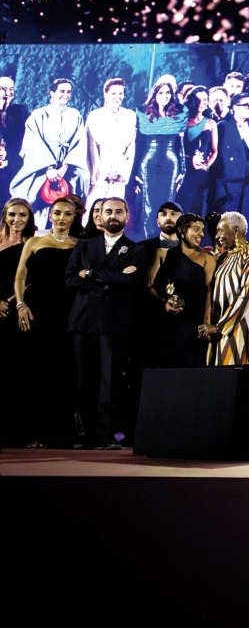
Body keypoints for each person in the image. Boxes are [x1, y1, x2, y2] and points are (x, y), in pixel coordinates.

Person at [65, 197, 147, 449]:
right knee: (83, 380)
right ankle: (85, 434)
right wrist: (113, 278)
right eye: (108, 211)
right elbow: (70, 280)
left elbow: (129, 283)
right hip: (82, 320)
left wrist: (89, 274)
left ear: (127, 215)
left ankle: (105, 435)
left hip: (114, 324)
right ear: (99, 214)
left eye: (118, 211)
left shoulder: (136, 249)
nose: (113, 215)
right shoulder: (84, 246)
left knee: (109, 381)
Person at [7, 197, 71, 448]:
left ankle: (56, 435)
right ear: (50, 215)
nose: (61, 218)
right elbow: (20, 275)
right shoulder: (34, 242)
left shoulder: (80, 245)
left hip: (66, 315)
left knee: (59, 375)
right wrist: (21, 304)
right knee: (33, 372)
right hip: (35, 312)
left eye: (67, 213)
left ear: (73, 217)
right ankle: (29, 434)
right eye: (57, 213)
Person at [10, 78, 89, 229]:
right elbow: (33, 143)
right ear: (52, 93)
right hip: (41, 170)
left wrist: (64, 168)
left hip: (67, 170)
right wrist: (49, 169)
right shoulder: (38, 114)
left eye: (68, 92)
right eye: (61, 91)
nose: (65, 95)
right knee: (39, 207)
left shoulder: (75, 115)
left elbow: (79, 144)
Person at [146, 212, 215, 369]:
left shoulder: (207, 258)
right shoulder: (161, 254)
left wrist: (206, 323)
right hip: (164, 323)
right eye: (196, 229)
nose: (201, 234)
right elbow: (149, 286)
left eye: (202, 230)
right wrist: (164, 302)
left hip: (192, 325)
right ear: (182, 230)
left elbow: (209, 293)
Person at [200, 211, 249, 368]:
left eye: (220, 230)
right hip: (223, 327)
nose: (217, 236)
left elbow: (248, 293)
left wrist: (220, 326)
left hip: (240, 327)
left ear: (236, 230)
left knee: (233, 375)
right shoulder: (227, 256)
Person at [133, 80, 188, 240]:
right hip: (148, 162)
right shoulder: (143, 115)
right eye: (161, 92)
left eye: (168, 93)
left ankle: (166, 241)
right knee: (147, 204)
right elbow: (138, 146)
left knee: (168, 202)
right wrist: (135, 172)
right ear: (154, 95)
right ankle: (147, 241)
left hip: (171, 164)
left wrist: (183, 171)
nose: (164, 96)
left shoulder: (179, 116)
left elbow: (181, 146)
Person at [210, 92, 249, 221]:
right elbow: (217, 161)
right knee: (230, 224)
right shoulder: (222, 127)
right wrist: (220, 188)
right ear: (234, 107)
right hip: (230, 185)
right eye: (245, 105)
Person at [85, 78, 137, 205]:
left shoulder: (130, 116)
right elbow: (90, 148)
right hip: (99, 172)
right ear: (105, 94)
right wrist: (102, 171)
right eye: (113, 94)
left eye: (120, 94)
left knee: (115, 210)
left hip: (119, 171)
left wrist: (119, 171)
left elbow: (131, 148)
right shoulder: (95, 116)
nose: (117, 97)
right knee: (95, 208)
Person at [176, 85, 219, 220]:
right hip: (182, 170)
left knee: (197, 208)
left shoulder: (211, 123)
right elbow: (175, 148)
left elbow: (214, 150)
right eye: (198, 100)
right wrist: (189, 160)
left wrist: (206, 165)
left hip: (200, 172)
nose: (201, 103)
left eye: (204, 100)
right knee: (181, 205)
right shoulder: (181, 121)